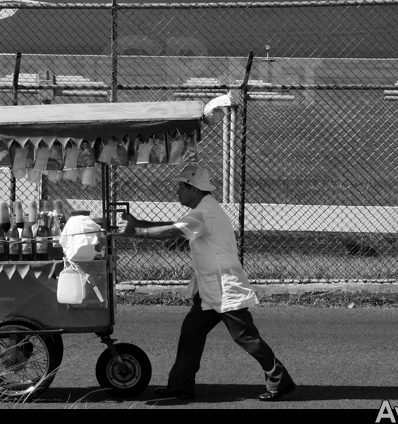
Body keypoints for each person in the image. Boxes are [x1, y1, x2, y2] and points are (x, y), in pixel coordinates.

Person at [119, 163, 296, 401]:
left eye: (181, 186)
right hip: (209, 288)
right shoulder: (203, 208)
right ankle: (180, 385)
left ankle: (279, 379)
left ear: (193, 188)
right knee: (191, 332)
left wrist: (136, 232)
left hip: (225, 287)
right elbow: (175, 228)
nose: (177, 191)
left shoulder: (204, 212)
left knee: (244, 336)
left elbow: (173, 232)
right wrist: (138, 223)